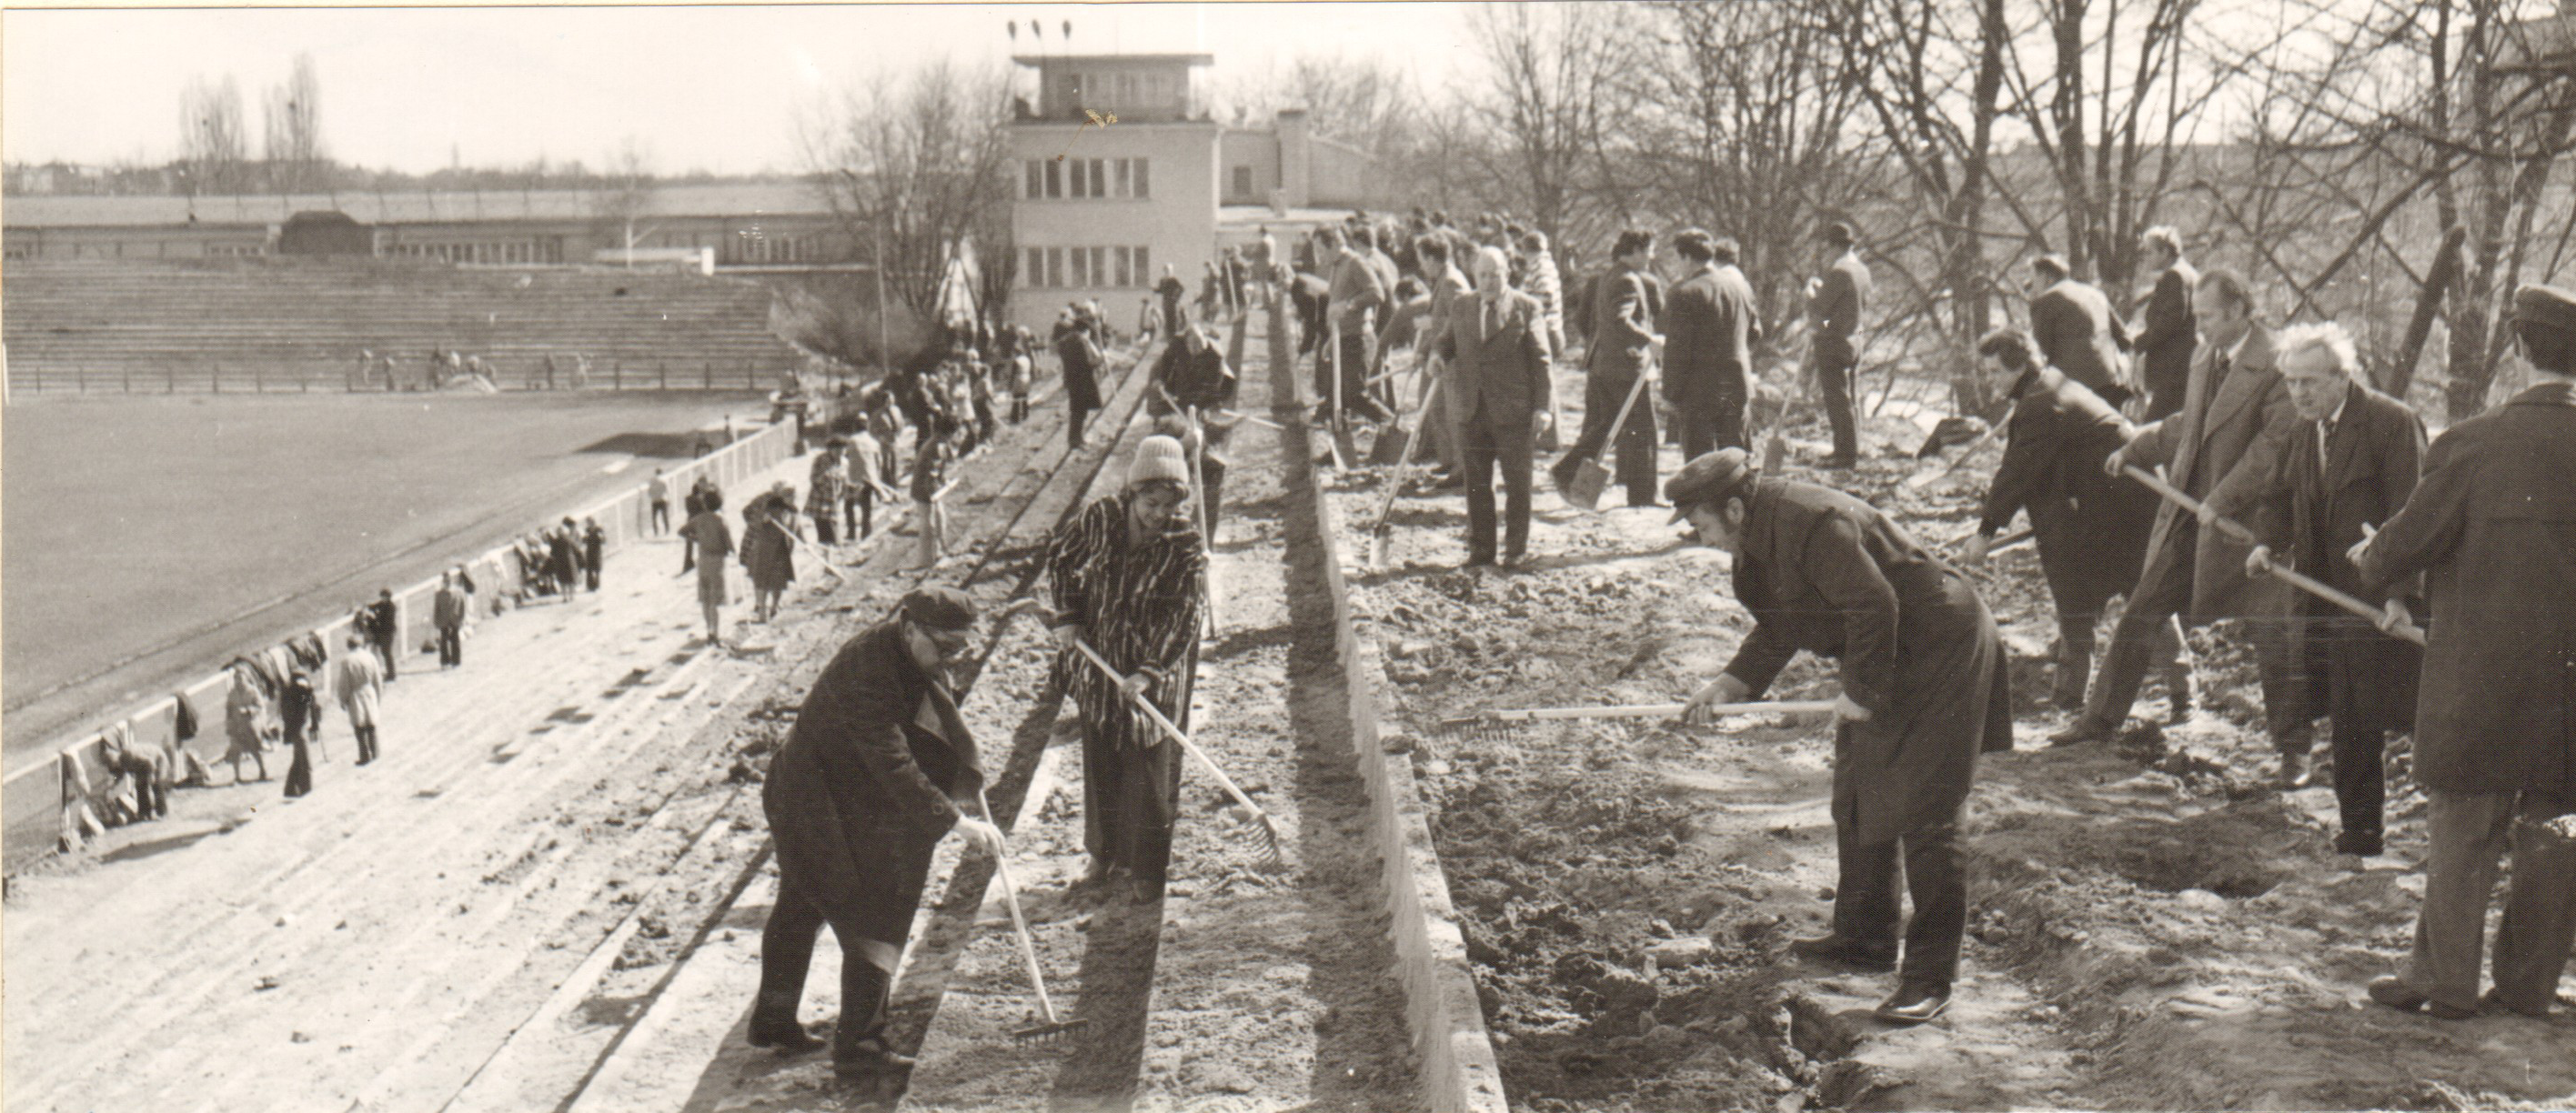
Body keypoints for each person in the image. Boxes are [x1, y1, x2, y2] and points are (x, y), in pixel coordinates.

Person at [1670, 448, 2010, 1025]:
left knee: (1926, 808)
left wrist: (1863, 691)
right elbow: (1783, 621)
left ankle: (1930, 978)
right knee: (1857, 786)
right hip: (1887, 644)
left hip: (1938, 640)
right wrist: (1731, 683)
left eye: (1700, 525)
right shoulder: (1756, 539)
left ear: (1732, 508)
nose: (1700, 539)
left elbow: (1874, 602)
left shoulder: (1809, 522)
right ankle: (1865, 935)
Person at [2351, 284, 2576, 1021]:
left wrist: (2373, 558)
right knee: (2555, 830)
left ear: (2517, 347)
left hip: (2482, 681)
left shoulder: (2473, 443)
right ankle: (2527, 988)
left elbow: (2404, 545)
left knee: (2463, 826)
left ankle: (2444, 983)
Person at [2055, 269, 2306, 774]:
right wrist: (2137, 447)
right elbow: (2188, 426)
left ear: (2239, 310)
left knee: (2273, 637)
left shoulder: (2280, 366)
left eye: (2209, 315)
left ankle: (2293, 751)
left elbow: (2273, 451)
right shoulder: (2204, 355)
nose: (2200, 326)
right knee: (2143, 608)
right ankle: (2100, 720)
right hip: (2194, 519)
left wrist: (2222, 498)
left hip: (2256, 527)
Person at [747, 587, 1005, 1076]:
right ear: (910, 628)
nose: (952, 658)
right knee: (871, 904)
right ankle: (860, 1046)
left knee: (803, 902)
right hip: (811, 798)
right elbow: (891, 760)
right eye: (945, 647)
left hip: (837, 788)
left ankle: (774, 1022)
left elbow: (934, 719)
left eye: (960, 648)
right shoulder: (869, 669)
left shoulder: (908, 650)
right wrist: (955, 820)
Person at [2244, 323, 2425, 857]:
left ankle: (2465, 824)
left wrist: (2398, 594)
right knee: (2351, 716)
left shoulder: (2391, 424)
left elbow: (2412, 515)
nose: (2299, 393)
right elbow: (2277, 496)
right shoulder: (2306, 429)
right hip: (2326, 600)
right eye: (2292, 382)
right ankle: (2362, 831)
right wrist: (2265, 543)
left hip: (2383, 601)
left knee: (2414, 714)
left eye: (2311, 381)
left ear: (2343, 377)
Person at [1962, 328, 2169, 711]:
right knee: (2093, 598)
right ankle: (2070, 695)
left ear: (2019, 365)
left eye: (1994, 372)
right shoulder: (2049, 384)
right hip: (2102, 506)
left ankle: (2168, 694)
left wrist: (1985, 531)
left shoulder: (2042, 402)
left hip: (2120, 511)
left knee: (2137, 598)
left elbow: (2017, 471)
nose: (1989, 380)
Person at [1045, 436, 1208, 903]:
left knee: (1147, 764)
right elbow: (1061, 559)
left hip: (1152, 664)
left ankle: (1147, 871)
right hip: (1099, 662)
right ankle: (1103, 855)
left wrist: (1150, 671)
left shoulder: (1183, 541)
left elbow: (1186, 613)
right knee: (1101, 757)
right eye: (1150, 502)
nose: (1159, 515)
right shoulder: (1100, 518)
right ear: (1132, 492)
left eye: (1169, 505)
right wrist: (1070, 616)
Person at [1443, 246, 1553, 569]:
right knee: (1476, 483)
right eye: (1483, 275)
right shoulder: (1462, 305)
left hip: (1514, 411)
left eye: (1496, 274)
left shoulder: (1526, 307)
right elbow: (1446, 342)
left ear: (1508, 274)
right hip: (1471, 409)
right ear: (1475, 276)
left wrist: (1543, 407)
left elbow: (1542, 361)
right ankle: (1481, 551)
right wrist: (1437, 357)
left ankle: (1515, 550)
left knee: (1517, 485)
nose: (1489, 281)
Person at [1554, 229, 1661, 505]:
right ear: (1636, 250)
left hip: (1608, 365)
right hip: (1625, 369)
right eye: (1649, 250)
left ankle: (1566, 471)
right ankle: (1642, 497)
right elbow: (1618, 319)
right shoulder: (1626, 279)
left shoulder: (1612, 275)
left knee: (1606, 425)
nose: (1652, 256)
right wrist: (1648, 340)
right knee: (1643, 431)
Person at [1663, 230, 1764, 458]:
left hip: (1699, 392)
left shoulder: (1685, 292)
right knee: (1737, 463)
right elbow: (1755, 332)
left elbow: (1678, 350)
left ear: (1687, 258)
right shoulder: (1741, 287)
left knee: (1701, 469)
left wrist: (1671, 393)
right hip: (1736, 385)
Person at [2025, 253, 2135, 409]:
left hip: (2075, 390)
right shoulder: (2095, 293)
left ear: (2046, 277)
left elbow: (2041, 351)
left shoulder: (2045, 301)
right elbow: (2125, 339)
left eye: (2033, 280)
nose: (2032, 287)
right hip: (2110, 383)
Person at [1806, 222, 1873, 468]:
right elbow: (1848, 305)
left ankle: (1845, 456)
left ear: (1833, 246)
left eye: (1827, 247)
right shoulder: (1862, 270)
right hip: (1855, 340)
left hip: (1834, 342)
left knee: (1837, 399)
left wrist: (1810, 292)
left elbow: (1819, 308)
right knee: (1849, 398)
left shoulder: (1840, 272)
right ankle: (1848, 450)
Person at [1319, 226, 1394, 424]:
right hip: (1341, 338)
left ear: (1335, 244)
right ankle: (1340, 450)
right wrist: (1330, 341)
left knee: (1356, 396)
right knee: (1336, 398)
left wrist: (1350, 305)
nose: (1319, 257)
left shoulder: (1356, 262)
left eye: (1321, 250)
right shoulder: (1337, 266)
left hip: (1357, 339)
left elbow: (1377, 294)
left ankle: (1394, 428)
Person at [2130, 226, 2199, 421]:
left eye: (2149, 252)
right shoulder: (2188, 272)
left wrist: (2138, 344)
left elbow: (2169, 321)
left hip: (2175, 367)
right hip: (2184, 364)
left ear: (2165, 252)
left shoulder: (2175, 276)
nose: (2145, 257)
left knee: (2154, 427)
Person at [680, 486, 734, 647]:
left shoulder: (699, 518)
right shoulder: (721, 519)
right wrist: (732, 550)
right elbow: (730, 544)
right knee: (714, 601)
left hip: (703, 560)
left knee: (705, 599)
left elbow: (682, 532)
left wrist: (697, 539)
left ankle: (708, 630)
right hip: (718, 562)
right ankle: (714, 633)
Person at [744, 491, 799, 624]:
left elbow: (795, 532)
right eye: (789, 496)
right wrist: (763, 520)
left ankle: (773, 607)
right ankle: (763, 610)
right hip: (764, 551)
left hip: (779, 551)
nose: (791, 499)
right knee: (764, 581)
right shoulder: (768, 510)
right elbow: (754, 523)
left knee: (776, 581)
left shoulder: (792, 513)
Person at [1055, 311, 1106, 450]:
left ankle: (1077, 438)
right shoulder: (1081, 341)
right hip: (1083, 381)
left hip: (1072, 380)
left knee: (1077, 410)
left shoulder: (1066, 341)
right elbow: (1088, 363)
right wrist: (1102, 358)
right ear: (1085, 330)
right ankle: (1075, 440)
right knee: (1080, 412)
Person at [335, 634, 385, 766]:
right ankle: (375, 752)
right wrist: (378, 695)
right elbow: (378, 679)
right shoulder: (370, 657)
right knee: (371, 721)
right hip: (370, 691)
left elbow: (344, 683)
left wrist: (343, 699)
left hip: (356, 693)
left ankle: (364, 755)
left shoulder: (347, 661)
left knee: (359, 724)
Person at [222, 666, 274, 782]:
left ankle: (262, 770)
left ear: (246, 679)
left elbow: (260, 706)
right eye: (236, 679)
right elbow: (229, 711)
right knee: (235, 750)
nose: (238, 681)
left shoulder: (252, 691)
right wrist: (229, 725)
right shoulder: (232, 693)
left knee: (254, 749)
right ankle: (237, 776)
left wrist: (248, 710)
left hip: (250, 724)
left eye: (241, 679)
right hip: (237, 725)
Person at [281, 669, 319, 798]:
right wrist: (309, 692)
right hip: (298, 728)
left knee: (298, 758)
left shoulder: (290, 691)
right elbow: (305, 706)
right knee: (305, 760)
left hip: (295, 728)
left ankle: (290, 789)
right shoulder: (296, 692)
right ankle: (306, 789)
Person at [847, 429, 884, 540]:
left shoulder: (852, 440)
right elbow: (879, 463)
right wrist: (875, 477)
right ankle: (866, 532)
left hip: (853, 478)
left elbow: (846, 457)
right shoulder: (874, 442)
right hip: (868, 478)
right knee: (866, 507)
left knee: (849, 504)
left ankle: (851, 532)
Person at [433, 571, 468, 668]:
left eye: (448, 580)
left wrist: (462, 619)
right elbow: (436, 608)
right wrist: (436, 621)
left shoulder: (458, 592)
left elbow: (463, 606)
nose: (446, 582)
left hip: (455, 619)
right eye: (445, 581)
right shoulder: (439, 594)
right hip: (444, 620)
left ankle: (456, 661)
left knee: (455, 640)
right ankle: (445, 661)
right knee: (443, 642)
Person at [365, 588, 400, 683]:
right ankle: (389, 673)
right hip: (383, 632)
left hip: (388, 633)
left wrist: (375, 616)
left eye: (384, 597)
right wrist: (367, 606)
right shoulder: (382, 604)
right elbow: (373, 606)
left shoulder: (391, 607)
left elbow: (384, 619)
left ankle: (391, 674)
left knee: (386, 653)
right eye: (382, 596)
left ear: (388, 597)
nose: (383, 598)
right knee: (384, 652)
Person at [581, 518, 606, 592]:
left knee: (597, 569)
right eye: (588, 523)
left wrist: (601, 536)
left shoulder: (599, 530)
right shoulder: (587, 530)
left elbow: (603, 540)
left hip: (597, 551)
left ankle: (597, 585)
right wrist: (585, 537)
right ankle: (590, 586)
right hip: (589, 551)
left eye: (590, 523)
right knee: (589, 569)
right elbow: (584, 541)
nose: (589, 524)